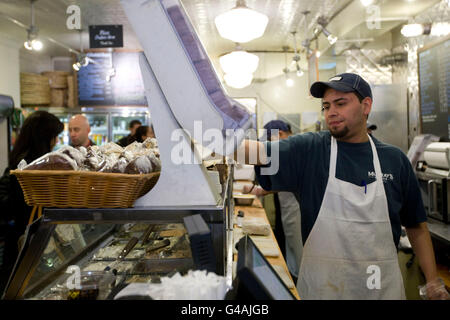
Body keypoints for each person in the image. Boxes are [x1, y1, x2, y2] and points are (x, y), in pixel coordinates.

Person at [236, 73, 449, 300]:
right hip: (324, 290)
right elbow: (255, 151)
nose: (331, 112)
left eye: (340, 103)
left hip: (381, 290)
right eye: (326, 106)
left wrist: (432, 281)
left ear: (366, 106)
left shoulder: (394, 161)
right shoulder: (311, 150)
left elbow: (416, 227)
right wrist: (208, 137)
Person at [0, 111, 63, 293]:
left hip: (21, 239)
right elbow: (27, 205)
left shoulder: (19, 160)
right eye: (54, 136)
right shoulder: (34, 167)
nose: (56, 142)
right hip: (28, 243)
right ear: (44, 137)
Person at [244, 119, 303, 284]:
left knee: (299, 250)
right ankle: (294, 278)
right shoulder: (288, 148)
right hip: (288, 209)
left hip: (298, 210)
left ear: (281, 134)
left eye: (270, 140)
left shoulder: (295, 149)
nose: (270, 145)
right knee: (292, 248)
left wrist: (260, 191)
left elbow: (289, 182)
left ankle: (299, 285)